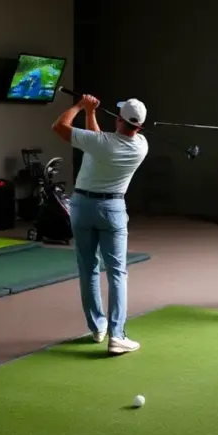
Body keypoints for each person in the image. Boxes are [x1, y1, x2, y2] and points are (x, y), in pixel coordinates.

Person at [52, 94, 148, 355]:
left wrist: (79, 107)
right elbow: (100, 141)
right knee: (117, 272)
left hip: (82, 207)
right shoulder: (141, 145)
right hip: (112, 209)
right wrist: (92, 114)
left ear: (118, 119)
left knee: (88, 268)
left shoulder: (101, 142)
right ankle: (117, 336)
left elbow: (59, 127)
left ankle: (97, 327)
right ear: (138, 126)